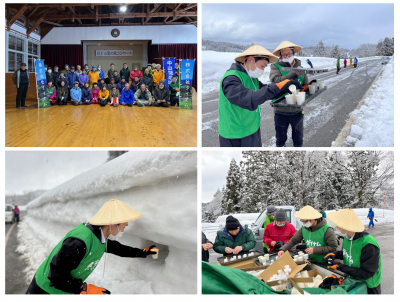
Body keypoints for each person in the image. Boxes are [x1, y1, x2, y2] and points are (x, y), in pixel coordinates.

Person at [25, 199, 156, 295]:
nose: (124, 229)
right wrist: (85, 289)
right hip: (44, 289)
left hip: (61, 290)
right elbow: (55, 276)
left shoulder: (100, 237)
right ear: (112, 224)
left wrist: (143, 252)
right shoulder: (79, 242)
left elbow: (119, 249)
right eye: (124, 225)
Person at [219, 45, 300, 147]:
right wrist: (278, 85)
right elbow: (249, 98)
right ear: (250, 60)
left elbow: (265, 92)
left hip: (252, 129)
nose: (263, 70)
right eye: (262, 66)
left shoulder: (252, 78)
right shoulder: (231, 79)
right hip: (235, 135)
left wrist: (285, 87)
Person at [325, 209, 381, 294]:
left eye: (339, 225)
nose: (337, 228)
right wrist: (335, 254)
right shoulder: (347, 238)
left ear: (347, 226)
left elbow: (366, 273)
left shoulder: (368, 245)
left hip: (368, 285)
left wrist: (339, 267)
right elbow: (349, 252)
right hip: (352, 280)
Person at [270, 41, 308, 147]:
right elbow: (275, 81)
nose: (287, 56)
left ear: (294, 54)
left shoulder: (301, 67)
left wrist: (308, 89)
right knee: (280, 139)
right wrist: (293, 74)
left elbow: (305, 85)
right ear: (280, 55)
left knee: (298, 138)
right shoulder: (276, 66)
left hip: (297, 110)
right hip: (280, 110)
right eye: (284, 55)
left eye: (289, 54)